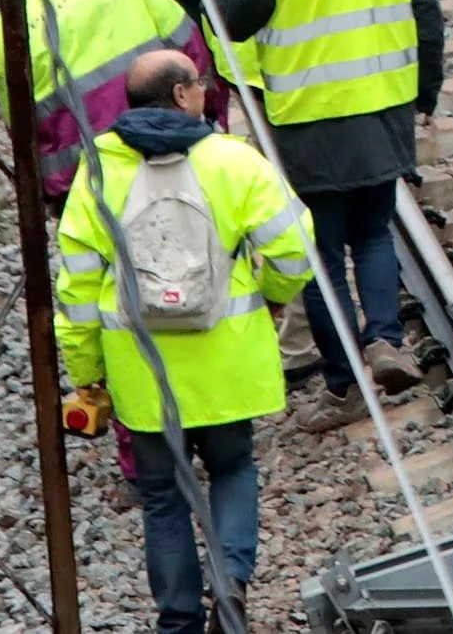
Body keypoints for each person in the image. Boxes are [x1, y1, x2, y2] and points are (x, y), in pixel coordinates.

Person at [54, 49, 315, 634]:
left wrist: (86, 372)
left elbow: (75, 287)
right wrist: (270, 296)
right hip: (227, 361)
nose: (204, 90)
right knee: (233, 468)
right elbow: (294, 250)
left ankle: (178, 621)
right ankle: (232, 588)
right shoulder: (233, 161)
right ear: (180, 96)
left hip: (142, 375)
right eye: (198, 83)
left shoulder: (97, 172)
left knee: (165, 498)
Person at [210, 0, 440, 435]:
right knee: (373, 230)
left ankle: (344, 387)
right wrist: (427, 89)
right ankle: (387, 340)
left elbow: (227, 17)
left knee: (318, 251)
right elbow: (425, 3)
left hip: (309, 117)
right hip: (384, 105)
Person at [0, 0, 190, 199]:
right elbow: (187, 44)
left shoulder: (1, 34)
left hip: (92, 183)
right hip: (172, 142)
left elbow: (23, 135)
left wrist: (53, 195)